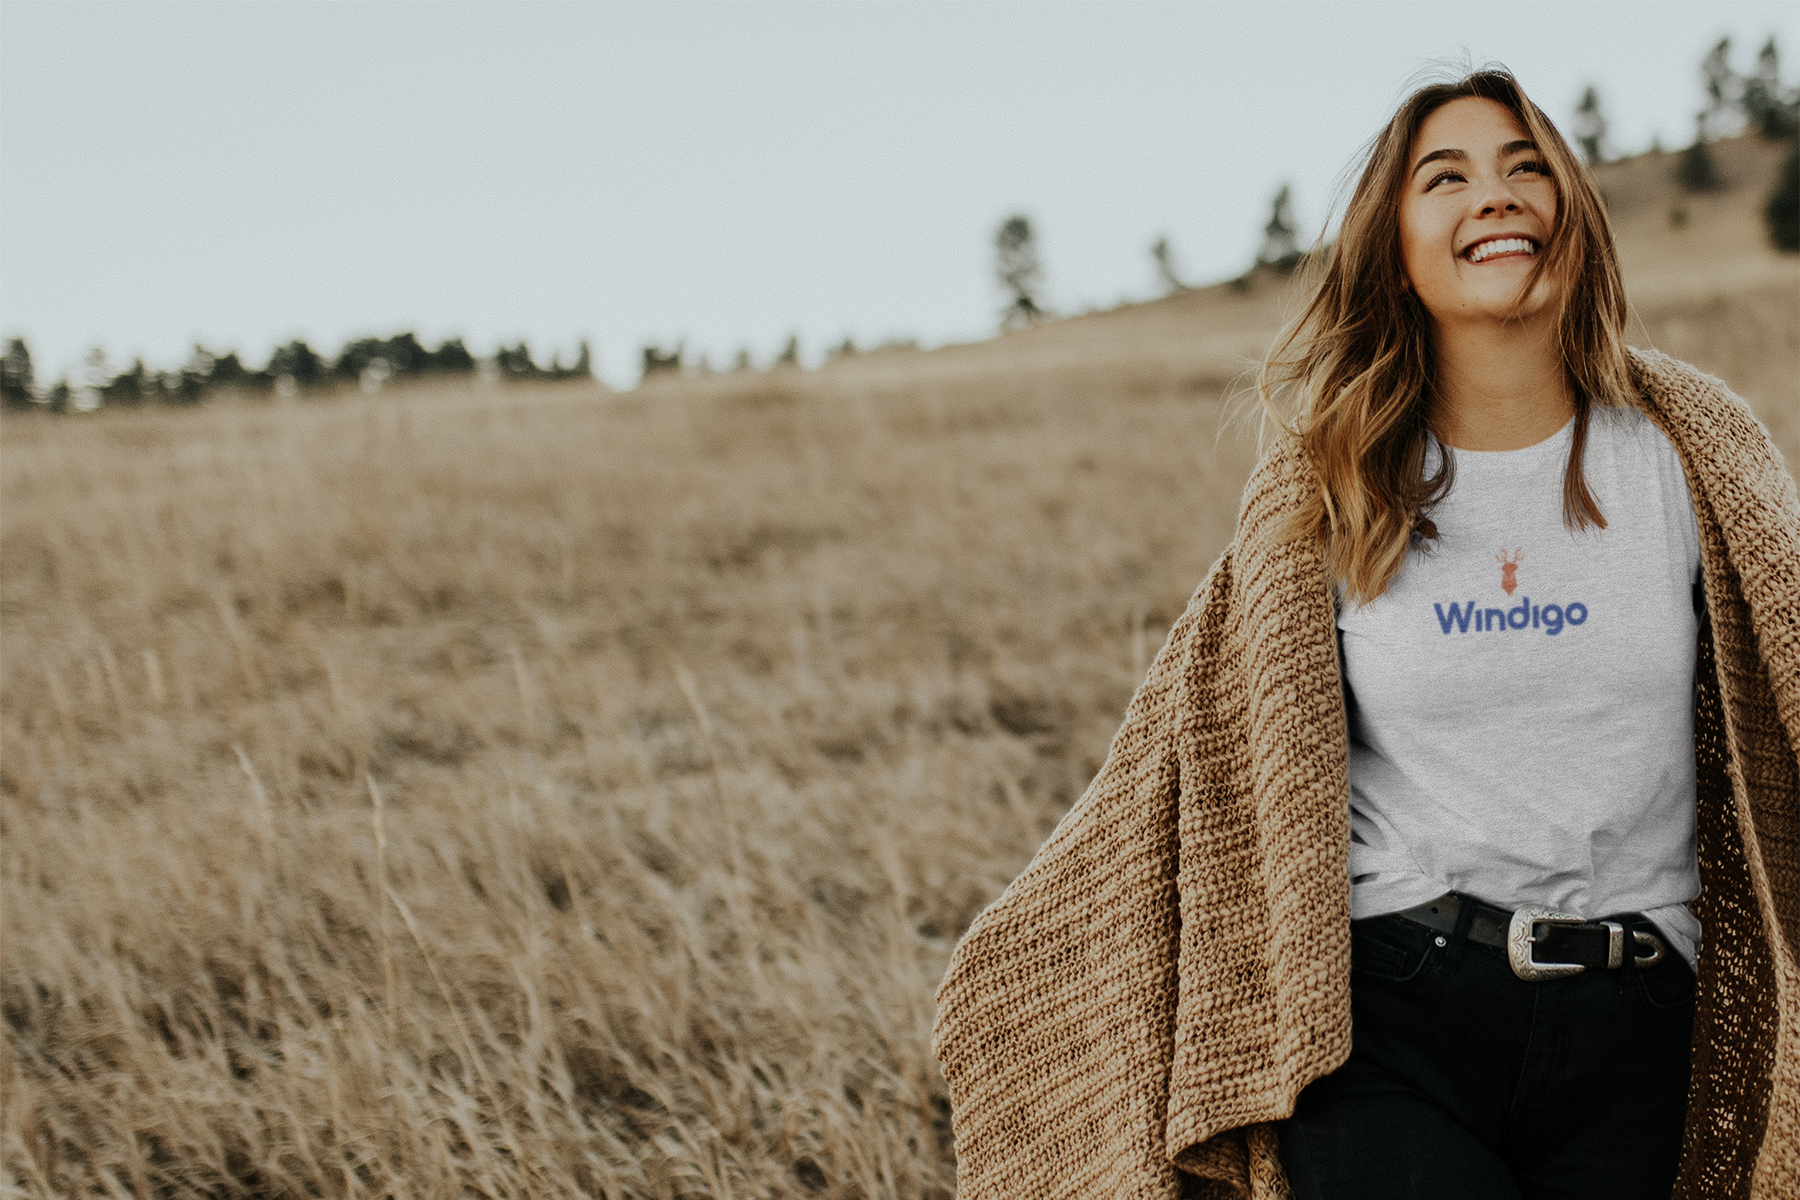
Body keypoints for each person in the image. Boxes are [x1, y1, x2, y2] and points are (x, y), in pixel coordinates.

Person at [933, 68, 1800, 1200]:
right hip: (1396, 1012)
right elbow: (1190, 751)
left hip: (1644, 1021)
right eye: (1448, 178)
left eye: (1526, 166)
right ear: (1395, 249)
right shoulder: (1330, 481)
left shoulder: (1692, 451)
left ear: (1575, 217)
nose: (1495, 195)